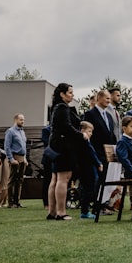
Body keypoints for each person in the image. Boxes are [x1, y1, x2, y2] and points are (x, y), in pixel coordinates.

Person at [48, 82, 82, 220]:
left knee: (55, 178)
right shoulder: (62, 107)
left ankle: (52, 211)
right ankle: (61, 212)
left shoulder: (56, 107)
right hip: (64, 147)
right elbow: (67, 127)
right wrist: (81, 135)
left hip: (56, 146)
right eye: (70, 92)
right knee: (63, 178)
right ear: (62, 94)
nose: (72, 95)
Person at [76, 121, 103, 219]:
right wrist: (98, 163)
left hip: (88, 168)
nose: (91, 133)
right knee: (88, 189)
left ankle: (86, 210)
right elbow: (91, 154)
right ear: (83, 131)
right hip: (87, 168)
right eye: (89, 131)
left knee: (88, 189)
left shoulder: (86, 142)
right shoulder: (84, 142)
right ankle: (85, 211)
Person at [3, 113, 27, 208]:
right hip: (14, 156)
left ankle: (17, 202)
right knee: (12, 179)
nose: (22, 121)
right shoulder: (10, 131)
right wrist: (11, 159)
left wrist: (24, 158)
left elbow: (24, 146)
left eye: (23, 119)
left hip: (22, 157)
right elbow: (7, 146)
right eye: (21, 119)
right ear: (16, 120)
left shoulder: (22, 132)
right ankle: (11, 202)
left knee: (20, 180)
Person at [83, 90, 113, 164]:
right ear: (99, 98)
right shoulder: (89, 114)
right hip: (96, 154)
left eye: (110, 99)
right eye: (107, 98)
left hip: (108, 155)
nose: (109, 101)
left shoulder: (109, 116)